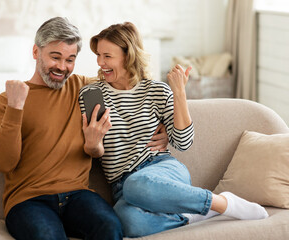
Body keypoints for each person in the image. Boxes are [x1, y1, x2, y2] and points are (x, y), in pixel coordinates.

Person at [79, 22, 269, 238]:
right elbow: (94, 150)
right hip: (122, 186)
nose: (100, 62)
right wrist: (92, 144)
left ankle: (222, 203)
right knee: (128, 221)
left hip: (162, 170)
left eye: (107, 56)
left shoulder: (156, 90)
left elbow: (183, 142)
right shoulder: (91, 94)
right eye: (98, 55)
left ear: (128, 56)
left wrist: (178, 92)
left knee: (136, 184)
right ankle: (190, 216)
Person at [0, 17, 168, 240]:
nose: (62, 67)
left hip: (78, 196)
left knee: (111, 229)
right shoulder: (7, 100)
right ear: (36, 52)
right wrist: (16, 108)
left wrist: (166, 126)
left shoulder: (85, 88)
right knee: (48, 236)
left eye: (70, 59)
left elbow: (131, 84)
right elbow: (4, 163)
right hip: (28, 200)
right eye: (55, 57)